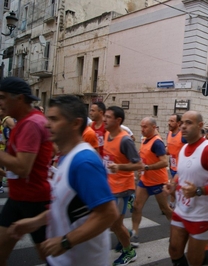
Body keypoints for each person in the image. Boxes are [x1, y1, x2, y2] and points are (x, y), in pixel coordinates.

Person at [7, 95, 119, 265]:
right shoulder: (67, 157)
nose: (46, 124)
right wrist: (35, 222)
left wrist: (66, 241)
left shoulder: (84, 162)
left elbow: (108, 214)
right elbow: (64, 205)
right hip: (62, 260)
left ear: (75, 123)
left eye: (54, 119)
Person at [164, 111, 208, 266]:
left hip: (201, 214)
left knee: (195, 259)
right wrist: (173, 184)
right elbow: (182, 174)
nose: (183, 126)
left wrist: (199, 190)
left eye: (189, 123)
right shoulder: (183, 149)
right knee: (174, 250)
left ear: (200, 125)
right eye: (182, 122)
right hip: (181, 209)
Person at [0, 77, 53, 265]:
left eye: (3, 97)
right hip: (18, 197)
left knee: (50, 256)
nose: (0, 102)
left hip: (35, 200)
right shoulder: (22, 122)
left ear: (19, 99)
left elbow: (23, 168)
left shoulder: (31, 123)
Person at [103, 106, 143, 265]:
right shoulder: (107, 135)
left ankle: (129, 251)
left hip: (122, 188)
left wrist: (119, 167)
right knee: (113, 223)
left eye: (107, 117)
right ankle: (125, 236)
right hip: (109, 186)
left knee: (114, 223)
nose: (104, 119)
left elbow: (139, 165)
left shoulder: (125, 140)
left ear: (118, 121)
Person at [132, 117, 172, 247]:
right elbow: (143, 156)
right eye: (141, 126)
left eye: (145, 127)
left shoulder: (157, 143)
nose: (142, 129)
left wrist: (147, 167)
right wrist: (140, 168)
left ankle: (177, 230)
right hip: (145, 180)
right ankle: (135, 234)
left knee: (164, 208)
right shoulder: (145, 140)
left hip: (158, 181)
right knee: (137, 206)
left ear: (154, 127)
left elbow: (164, 162)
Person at [166, 114, 186, 208]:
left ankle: (181, 205)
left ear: (178, 123)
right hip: (172, 166)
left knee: (172, 187)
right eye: (169, 121)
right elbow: (169, 150)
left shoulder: (183, 136)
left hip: (181, 168)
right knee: (174, 188)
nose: (169, 123)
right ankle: (173, 204)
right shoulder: (169, 134)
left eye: (172, 121)